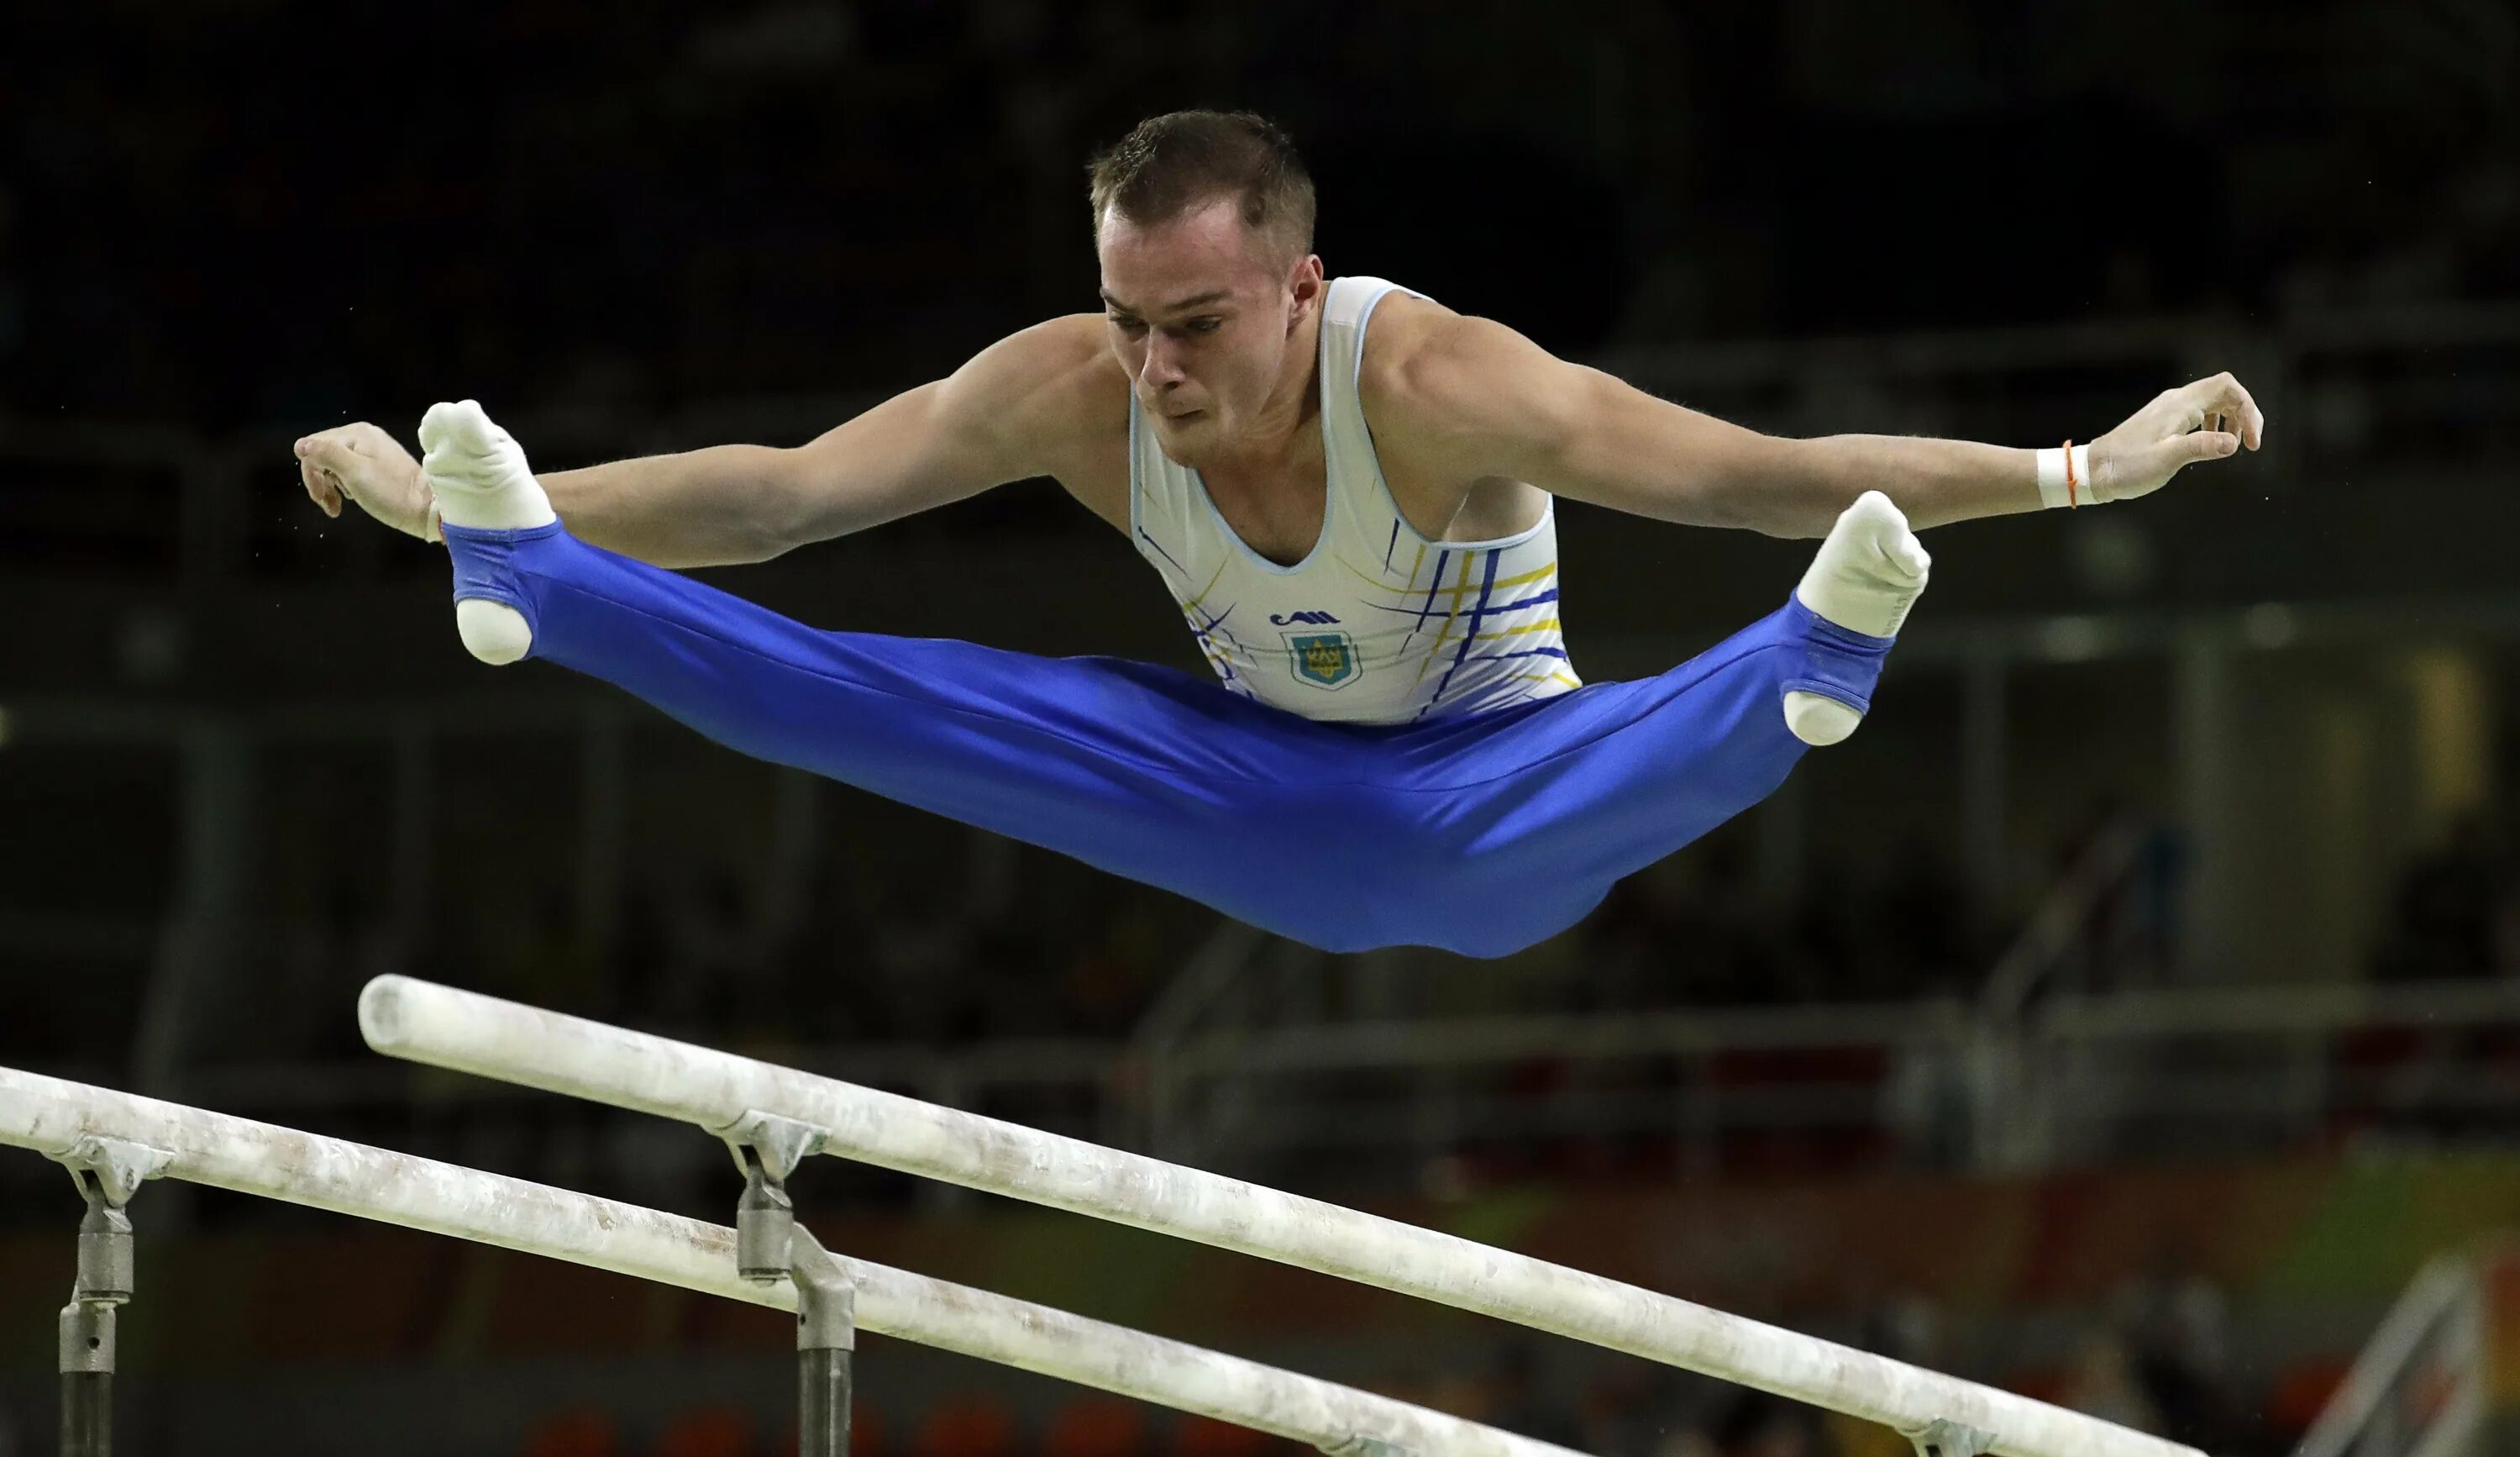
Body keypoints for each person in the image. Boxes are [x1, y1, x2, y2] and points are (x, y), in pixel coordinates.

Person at [292, 110, 2263, 957]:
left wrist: (2085, 470)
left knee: (1595, 740)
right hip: (1249, 789)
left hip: (1498, 786)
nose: (1148, 368)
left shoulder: (1438, 381)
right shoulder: (1072, 381)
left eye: (1198, 325)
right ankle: (532, 583)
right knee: (913, 702)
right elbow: (784, 500)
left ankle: (1802, 666)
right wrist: (473, 502)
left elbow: (1752, 467)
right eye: (1129, 318)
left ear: (1306, 286)